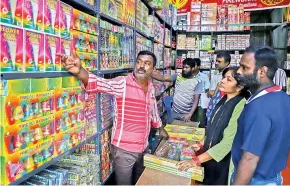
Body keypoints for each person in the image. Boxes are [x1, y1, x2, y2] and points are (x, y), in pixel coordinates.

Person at [58, 50, 169, 185]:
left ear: (153, 69)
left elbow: (153, 110)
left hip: (143, 145)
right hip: (124, 149)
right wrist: (80, 70)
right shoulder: (122, 83)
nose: (141, 66)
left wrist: (160, 127)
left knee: (142, 180)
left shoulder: (151, 87)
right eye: (139, 62)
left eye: (146, 63)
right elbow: (99, 83)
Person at [231, 46, 290, 185]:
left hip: (253, 180)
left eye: (244, 68)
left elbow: (250, 159)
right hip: (274, 178)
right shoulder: (284, 98)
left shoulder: (259, 107)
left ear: (262, 71)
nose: (238, 72)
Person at [178, 67, 247, 185]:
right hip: (211, 157)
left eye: (229, 80)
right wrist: (202, 143)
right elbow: (213, 128)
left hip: (224, 161)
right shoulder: (223, 99)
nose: (223, 81)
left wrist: (196, 160)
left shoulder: (240, 104)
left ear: (240, 87)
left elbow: (228, 142)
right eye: (224, 77)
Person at [151, 58, 202, 123]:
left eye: (187, 67)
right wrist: (149, 73)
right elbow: (163, 78)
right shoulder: (178, 76)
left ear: (192, 68)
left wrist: (190, 114)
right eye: (183, 67)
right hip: (174, 112)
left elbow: (196, 100)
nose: (184, 69)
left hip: (186, 115)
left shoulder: (197, 81)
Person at [206, 52, 231, 123]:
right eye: (216, 61)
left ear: (226, 63)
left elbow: (218, 92)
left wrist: (211, 92)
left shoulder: (227, 76)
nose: (216, 63)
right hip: (212, 104)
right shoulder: (216, 72)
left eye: (219, 61)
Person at [192, 58, 210, 128]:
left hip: (200, 103)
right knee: (189, 121)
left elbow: (207, 89)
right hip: (189, 103)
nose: (192, 67)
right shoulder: (188, 76)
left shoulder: (204, 77)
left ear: (199, 66)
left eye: (194, 65)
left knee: (200, 121)